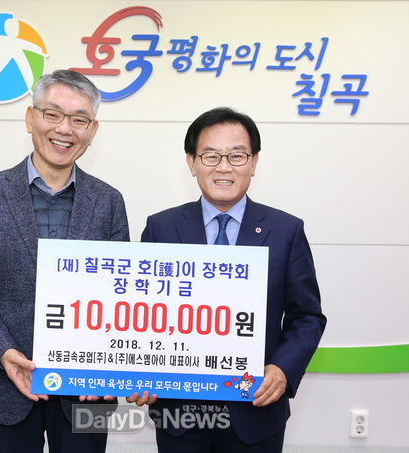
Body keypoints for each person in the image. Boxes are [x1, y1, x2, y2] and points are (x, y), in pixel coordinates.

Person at [0, 70, 129, 453]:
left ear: (92, 131)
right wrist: (3, 352)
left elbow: (119, 294)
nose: (64, 129)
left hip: (88, 390)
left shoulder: (110, 201)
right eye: (53, 114)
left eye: (79, 120)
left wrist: (106, 368)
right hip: (4, 385)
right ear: (30, 118)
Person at [128, 107, 326, 452]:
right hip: (180, 412)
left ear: (254, 162)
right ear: (192, 162)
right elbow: (140, 314)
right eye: (210, 156)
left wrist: (282, 369)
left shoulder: (286, 230)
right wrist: (140, 372)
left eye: (236, 156)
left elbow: (307, 316)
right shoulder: (161, 228)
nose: (223, 167)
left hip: (256, 412)